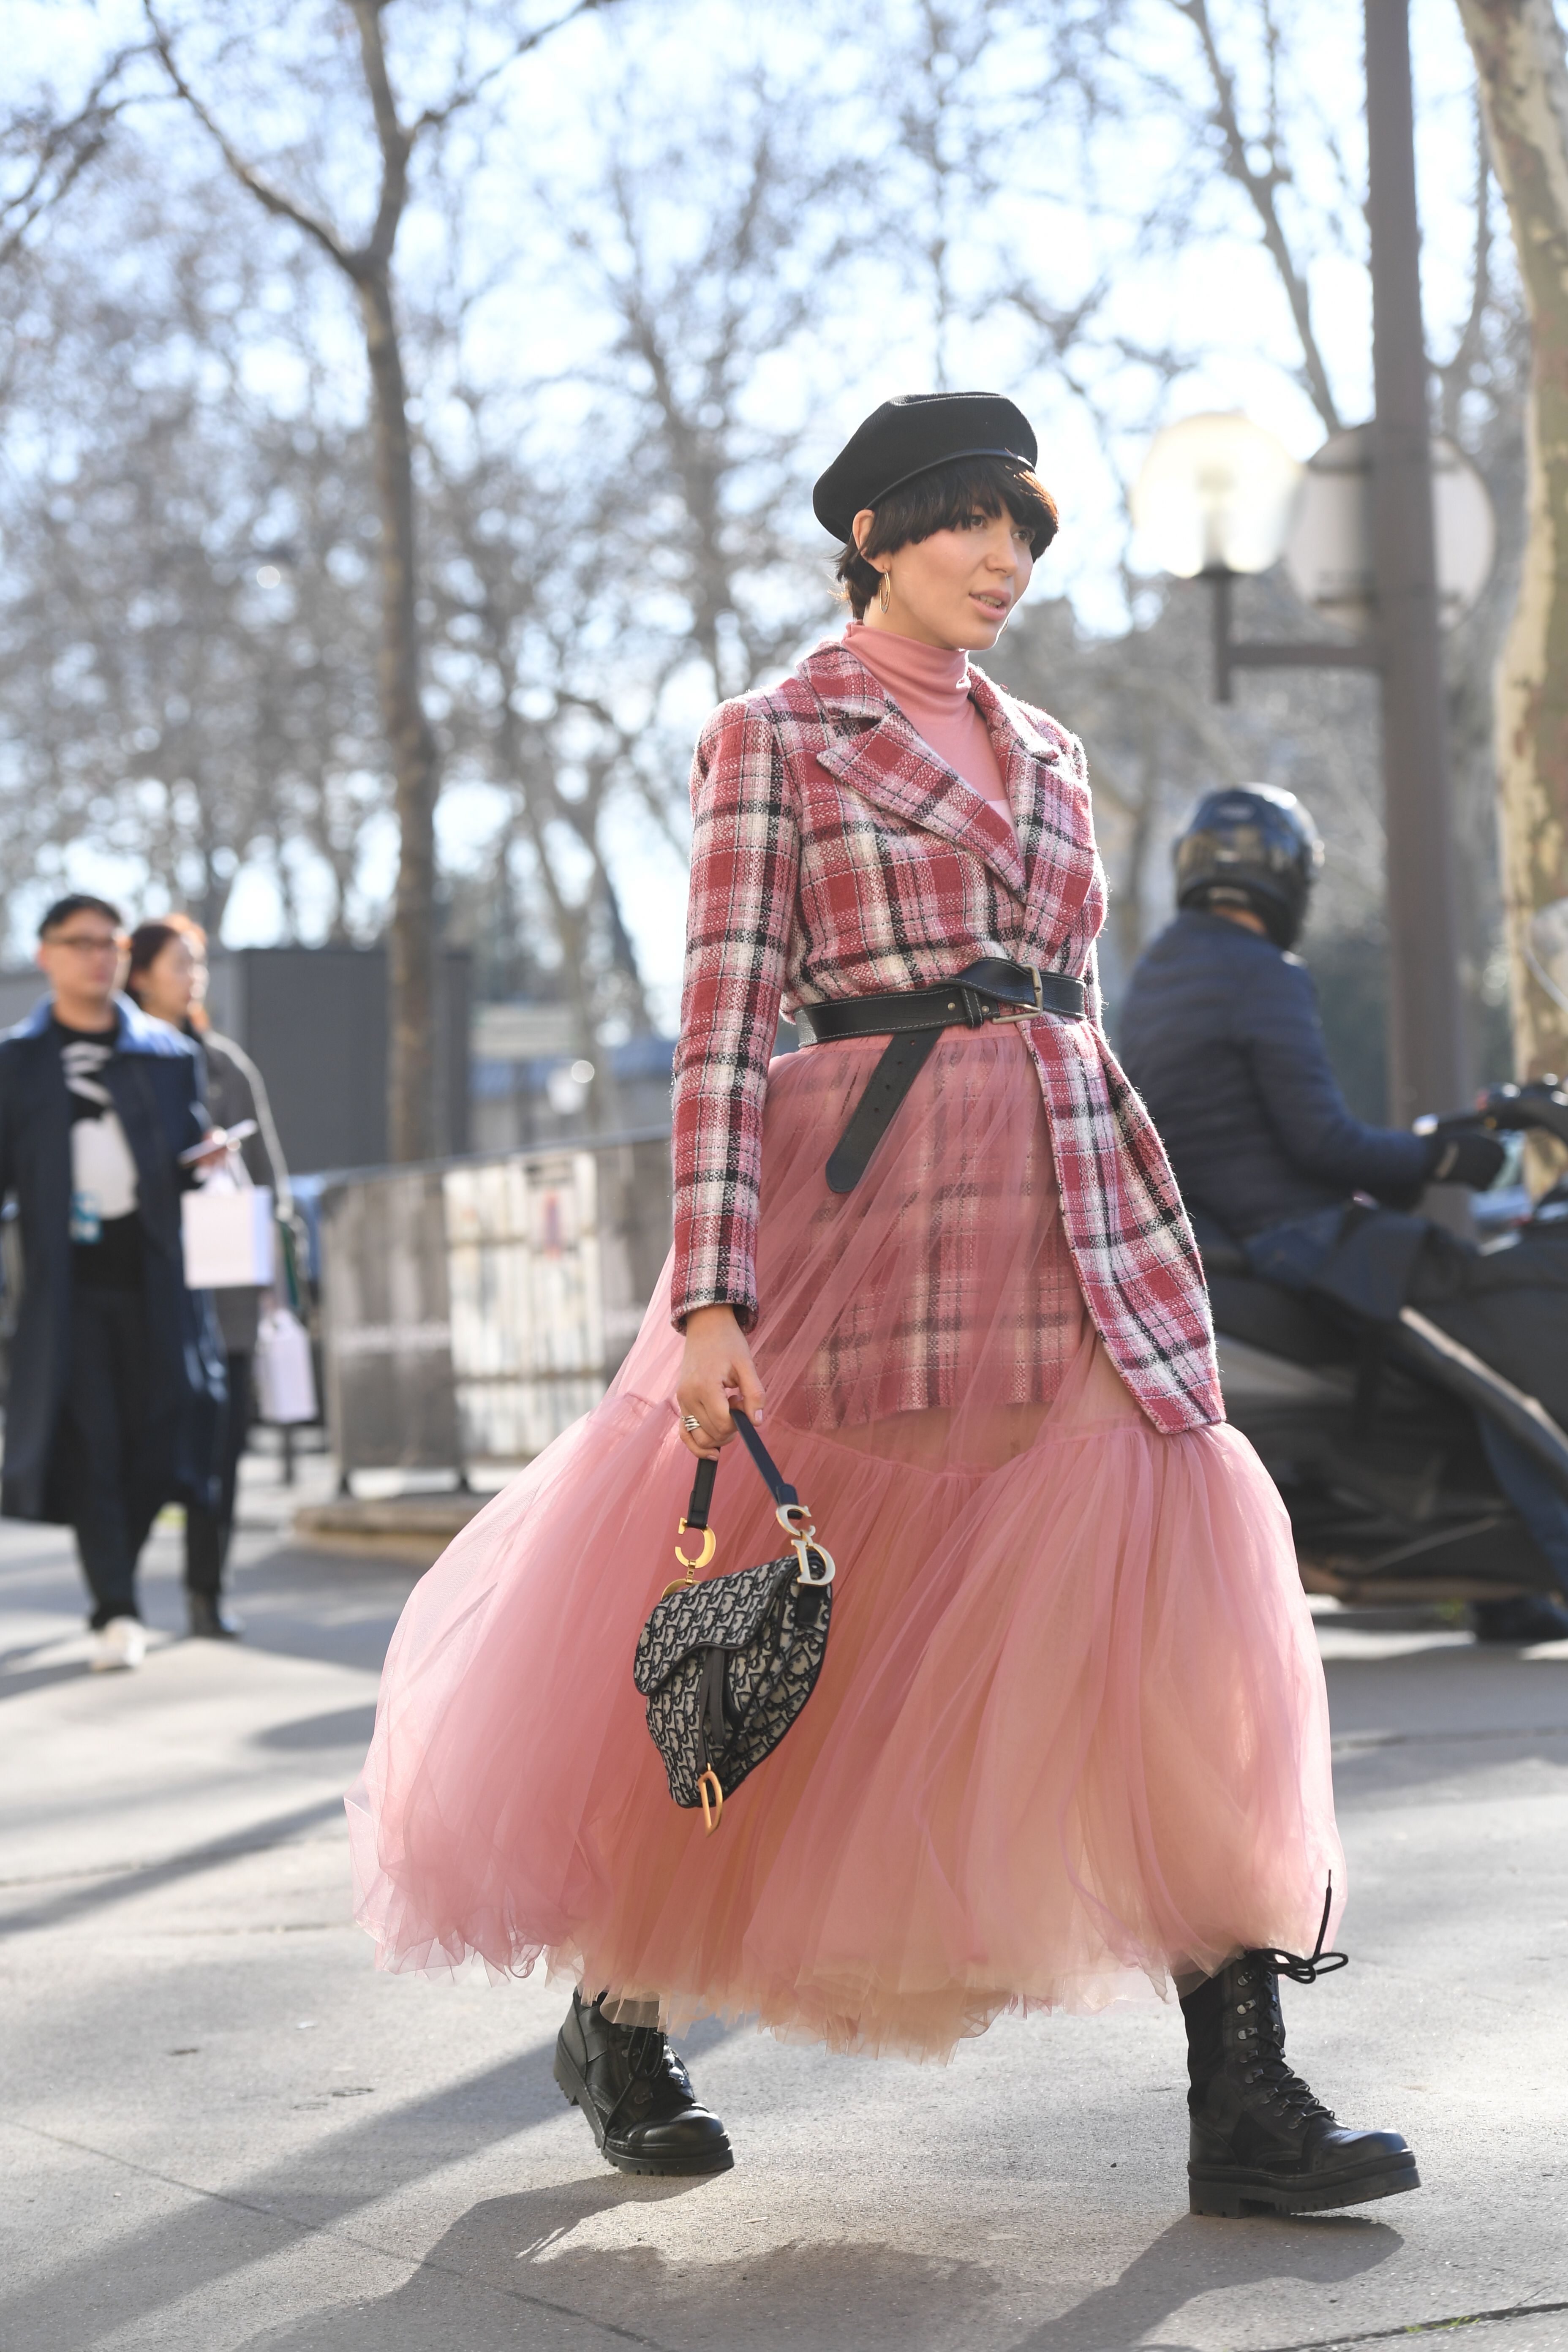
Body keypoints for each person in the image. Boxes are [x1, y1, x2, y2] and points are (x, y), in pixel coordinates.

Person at [351, 394, 1418, 2219]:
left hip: (1076, 1201)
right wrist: (710, 1292)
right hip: (869, 1212)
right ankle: (619, 2006)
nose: (1005, 561)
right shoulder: (773, 735)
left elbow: (1070, 995)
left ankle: (1243, 2090)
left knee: (1170, 1589)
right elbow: (721, 1025)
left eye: (1026, 532)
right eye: (970, 524)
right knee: (820, 1622)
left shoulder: (1052, 746)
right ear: (872, 537)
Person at [1119, 785, 1568, 1644]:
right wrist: (1443, 1162)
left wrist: (1422, 1153)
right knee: (1500, 1352)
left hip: (1228, 1234)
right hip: (1299, 1238)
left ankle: (1502, 1591)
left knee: (1458, 1359)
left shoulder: (1162, 970)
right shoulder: (1262, 974)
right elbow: (1322, 1143)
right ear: (1290, 877)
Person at [0, 894, 225, 1669]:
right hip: (68, 1294)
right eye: (83, 942)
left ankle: (116, 1582)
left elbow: (181, 1163)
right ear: (47, 955)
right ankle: (116, 1608)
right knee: (92, 1443)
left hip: (160, 1285)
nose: (100, 957)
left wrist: (205, 1162)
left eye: (112, 943)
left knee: (168, 1433)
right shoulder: (17, 1062)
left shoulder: (168, 1054)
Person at [127, 914, 291, 1640]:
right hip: (148, 1289)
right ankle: (116, 1593)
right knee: (147, 1446)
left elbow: (271, 1182)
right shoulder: (120, 1064)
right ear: (140, 976)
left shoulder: (225, 1064)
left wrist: (277, 1286)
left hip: (226, 1290)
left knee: (221, 1451)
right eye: (179, 964)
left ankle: (206, 1591)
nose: (194, 977)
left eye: (197, 963)